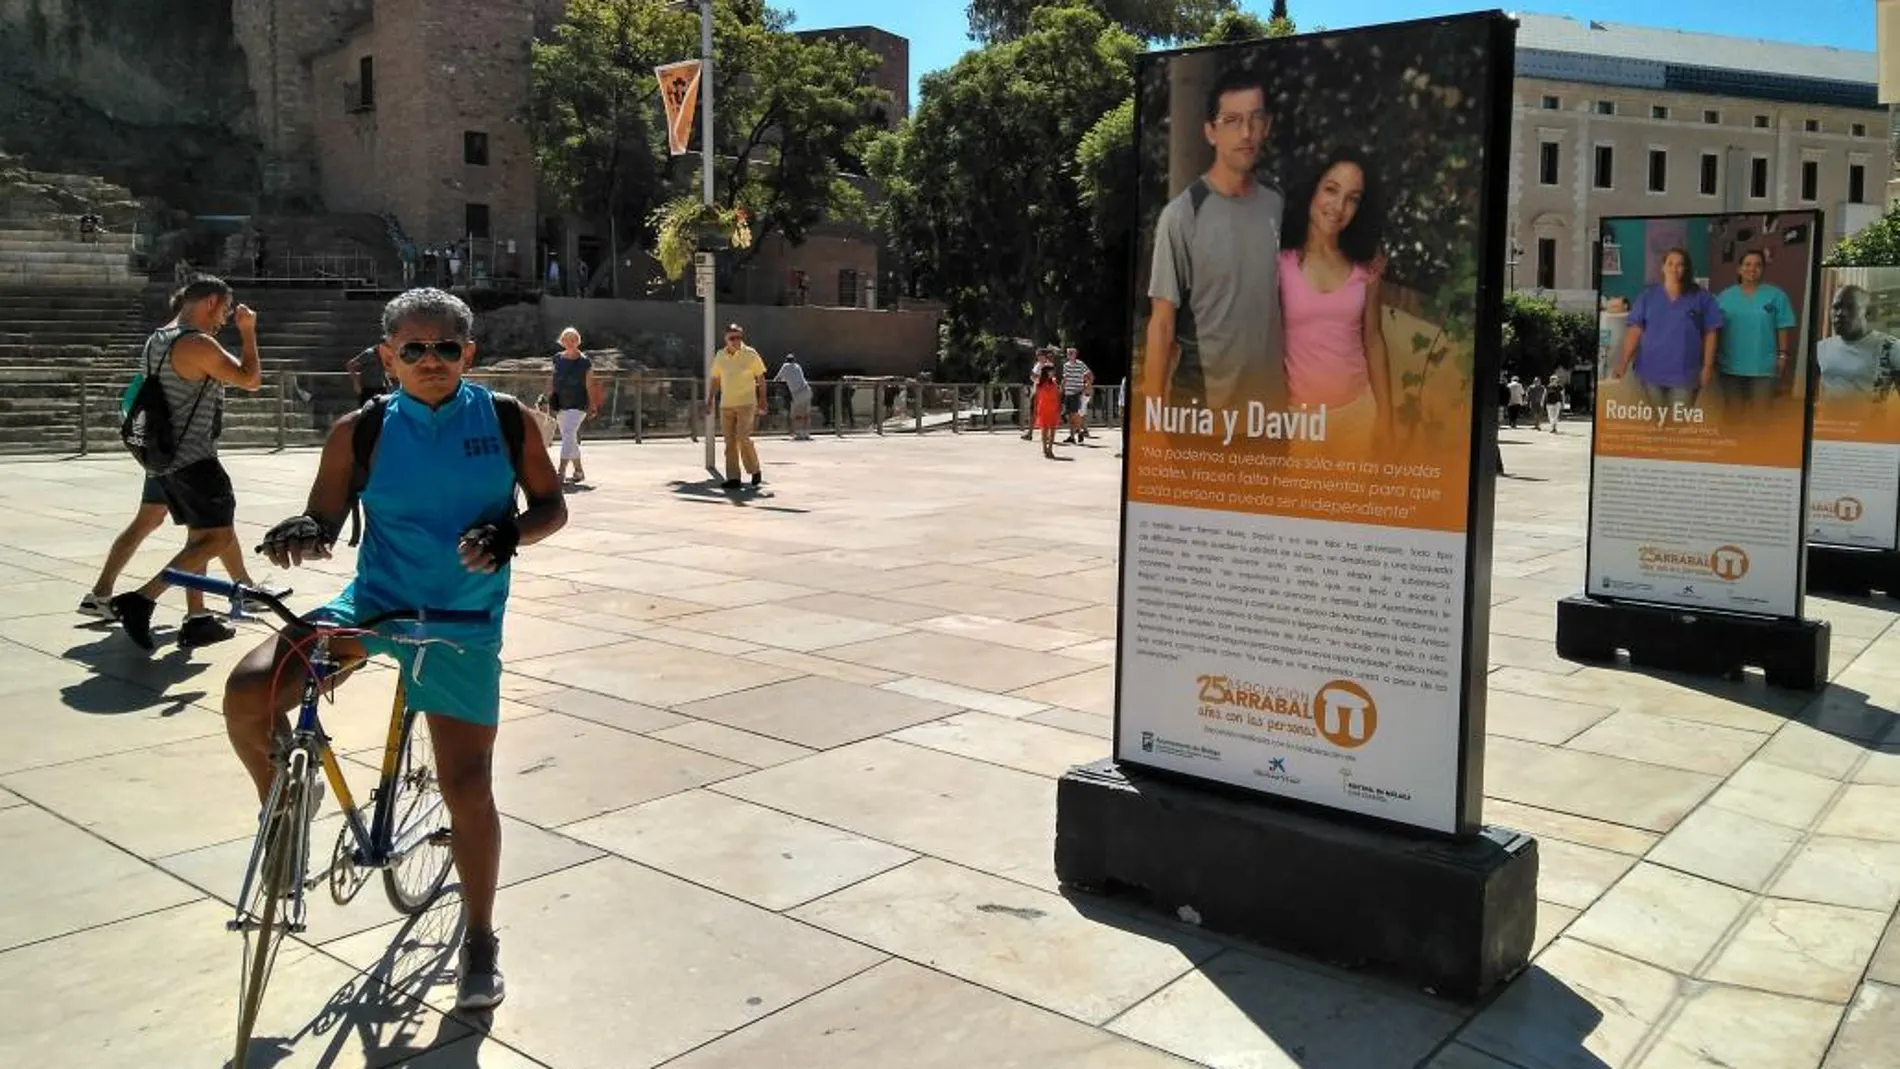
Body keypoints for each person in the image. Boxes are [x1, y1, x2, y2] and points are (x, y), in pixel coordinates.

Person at [226, 287, 566, 1013]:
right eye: (412, 349)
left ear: (468, 353)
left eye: (445, 346)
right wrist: (302, 532)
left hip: (460, 623)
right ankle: (282, 811)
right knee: (249, 692)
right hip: (373, 609)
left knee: (467, 786)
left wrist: (512, 532)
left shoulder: (508, 420)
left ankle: (479, 935)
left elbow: (550, 505)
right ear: (388, 358)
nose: (430, 360)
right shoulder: (360, 430)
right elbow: (324, 516)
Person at [111, 276, 264, 651]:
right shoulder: (196, 343)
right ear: (211, 301)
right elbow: (251, 380)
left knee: (199, 539)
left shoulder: (157, 338)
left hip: (165, 461)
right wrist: (248, 333)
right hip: (196, 461)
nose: (225, 319)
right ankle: (143, 597)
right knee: (218, 538)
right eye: (225, 310)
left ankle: (197, 619)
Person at [1144, 67, 1285, 412]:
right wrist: (1153, 417)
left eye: (1255, 119)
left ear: (1267, 125)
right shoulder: (1182, 215)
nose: (1246, 132)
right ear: (1210, 132)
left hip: (1270, 415)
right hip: (1200, 409)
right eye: (1232, 120)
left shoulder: (1279, 205)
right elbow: (1162, 323)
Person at [1278, 150, 1391, 451]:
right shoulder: (1279, 262)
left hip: (1358, 414)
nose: (1339, 207)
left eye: (1352, 198)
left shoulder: (1365, 267)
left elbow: (1374, 339)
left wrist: (1385, 414)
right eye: (1331, 189)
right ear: (1312, 189)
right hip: (1298, 422)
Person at [1612, 247, 1724, 408]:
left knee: (1677, 426)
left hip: (1685, 375)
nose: (1674, 268)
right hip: (1651, 371)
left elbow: (1711, 333)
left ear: (1686, 269)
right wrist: (1623, 362)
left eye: (1680, 264)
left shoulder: (1701, 297)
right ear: (1663, 267)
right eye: (1670, 263)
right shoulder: (1648, 297)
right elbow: (1635, 331)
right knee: (1659, 424)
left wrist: (1707, 366)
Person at [1714, 249, 1796, 415]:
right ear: (1739, 269)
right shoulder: (1724, 296)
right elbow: (1714, 329)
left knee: (1761, 415)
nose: (1752, 268)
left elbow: (1783, 326)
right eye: (1747, 264)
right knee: (1733, 414)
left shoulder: (1776, 296)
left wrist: (1783, 355)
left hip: (1763, 366)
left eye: (1758, 265)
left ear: (1763, 269)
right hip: (1730, 365)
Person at [708, 322, 767, 489]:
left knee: (743, 437)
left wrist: (763, 399)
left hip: (747, 403)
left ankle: (754, 469)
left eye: (739, 337)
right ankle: (733, 478)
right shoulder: (720, 355)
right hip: (726, 404)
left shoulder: (750, 354)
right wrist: (709, 400)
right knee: (729, 442)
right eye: (732, 338)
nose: (736, 341)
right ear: (726, 339)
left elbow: (761, 378)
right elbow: (715, 379)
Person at [1816, 284, 1899, 402]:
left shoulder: (1891, 347)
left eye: (1850, 307)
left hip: (1872, 420)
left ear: (1868, 313)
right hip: (1829, 419)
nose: (1840, 313)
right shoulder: (1821, 348)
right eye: (1836, 307)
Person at [549, 327, 601, 484]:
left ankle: (561, 471)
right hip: (560, 403)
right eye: (567, 339)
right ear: (562, 341)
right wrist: (548, 399)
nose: (570, 342)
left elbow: (590, 385)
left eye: (573, 339)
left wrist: (593, 405)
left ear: (578, 341)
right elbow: (553, 380)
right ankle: (578, 471)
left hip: (578, 404)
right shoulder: (557, 358)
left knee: (569, 435)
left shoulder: (584, 362)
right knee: (568, 437)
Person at [774, 352, 814, 440]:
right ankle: (806, 433)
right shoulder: (797, 366)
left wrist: (784, 380)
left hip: (798, 393)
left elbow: (777, 378)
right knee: (805, 414)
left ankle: (799, 434)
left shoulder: (785, 366)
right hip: (807, 389)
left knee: (797, 414)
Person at [1061, 347, 1094, 444]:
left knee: (1076, 414)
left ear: (1075, 354)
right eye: (1068, 353)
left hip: (1077, 392)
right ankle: (1072, 436)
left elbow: (1090, 375)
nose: (1070, 355)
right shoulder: (1066, 365)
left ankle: (1079, 432)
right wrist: (1062, 387)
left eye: (1072, 353)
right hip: (1068, 392)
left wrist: (1087, 386)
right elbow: (1065, 378)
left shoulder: (1080, 364)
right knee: (1070, 415)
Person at [1022, 347, 1054, 440]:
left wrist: (1037, 376)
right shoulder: (1037, 365)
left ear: (1044, 356)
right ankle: (1030, 433)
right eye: (1037, 355)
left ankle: (1047, 435)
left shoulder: (1049, 365)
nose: (1038, 357)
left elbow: (1048, 378)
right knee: (1033, 412)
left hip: (1045, 392)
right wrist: (1037, 377)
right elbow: (1033, 377)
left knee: (1045, 413)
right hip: (1036, 389)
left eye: (1040, 355)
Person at [1033, 364, 1063, 459]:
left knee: (1053, 429)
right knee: (1044, 430)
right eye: (1051, 371)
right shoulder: (1039, 383)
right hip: (1043, 408)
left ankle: (1050, 448)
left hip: (1053, 408)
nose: (1053, 373)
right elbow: (1036, 398)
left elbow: (1058, 395)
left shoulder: (1054, 382)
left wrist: (1059, 406)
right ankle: (1044, 448)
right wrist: (1035, 409)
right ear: (1046, 372)